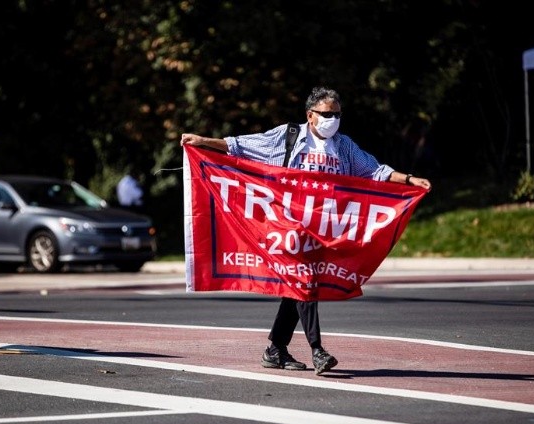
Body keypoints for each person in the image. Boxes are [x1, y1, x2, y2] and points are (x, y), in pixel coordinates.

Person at [181, 86, 431, 375]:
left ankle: (276, 349)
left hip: (322, 230)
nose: (332, 120)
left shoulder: (344, 146)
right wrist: (203, 141)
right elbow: (241, 145)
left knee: (298, 287)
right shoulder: (287, 137)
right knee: (305, 281)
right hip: (287, 225)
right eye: (326, 114)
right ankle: (318, 351)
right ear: (310, 115)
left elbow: (374, 171)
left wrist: (409, 180)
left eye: (337, 114)